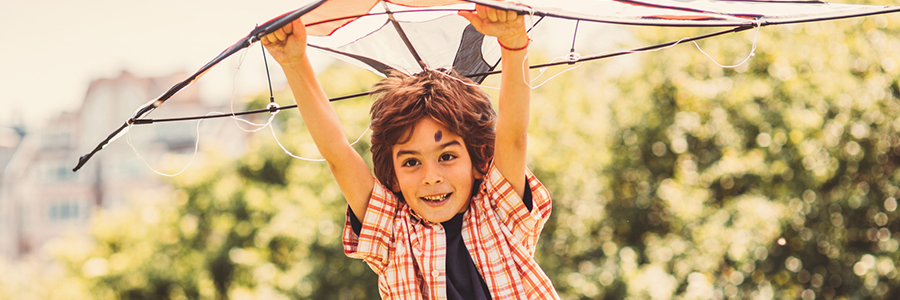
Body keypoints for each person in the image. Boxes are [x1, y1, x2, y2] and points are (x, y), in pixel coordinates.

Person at [262, 4, 559, 299]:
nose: (431, 177)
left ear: (479, 161)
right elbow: (338, 153)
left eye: (447, 156)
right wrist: (294, 63)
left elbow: (513, 137)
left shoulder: (498, 212)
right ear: (393, 178)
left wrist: (514, 43)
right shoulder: (394, 234)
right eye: (412, 162)